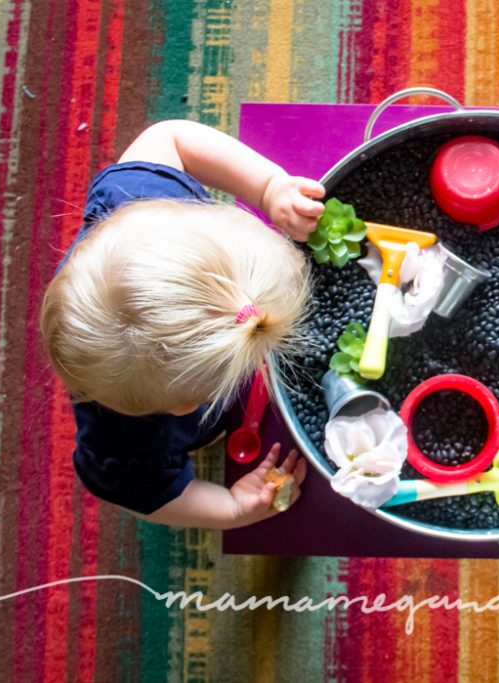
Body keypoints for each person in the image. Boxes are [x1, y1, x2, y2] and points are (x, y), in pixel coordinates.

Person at [40, 120, 324, 529]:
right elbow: (143, 493)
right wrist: (230, 508)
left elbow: (170, 137)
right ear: (186, 407)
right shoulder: (127, 442)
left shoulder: (139, 198)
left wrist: (269, 187)